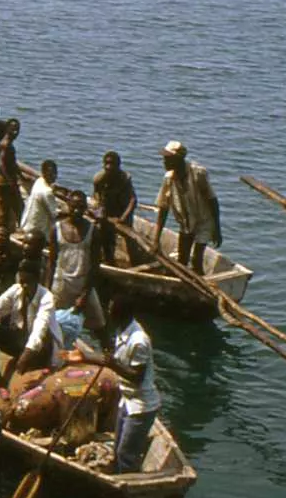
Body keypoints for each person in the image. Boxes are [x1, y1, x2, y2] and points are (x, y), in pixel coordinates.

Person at [82, 295, 159, 475]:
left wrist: (112, 364)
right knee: (118, 449)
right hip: (126, 400)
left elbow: (136, 377)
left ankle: (128, 484)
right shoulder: (123, 330)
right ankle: (120, 475)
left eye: (111, 310)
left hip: (141, 406)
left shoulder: (139, 341)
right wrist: (86, 357)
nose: (108, 313)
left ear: (122, 313)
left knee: (126, 454)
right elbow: (114, 360)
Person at [0, 257, 59, 386]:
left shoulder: (46, 298)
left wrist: (26, 355)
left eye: (28, 282)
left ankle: (28, 365)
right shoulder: (17, 289)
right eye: (22, 282)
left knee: (39, 343)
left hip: (40, 349)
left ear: (37, 280)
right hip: (21, 339)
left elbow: (39, 330)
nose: (24, 286)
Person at [154, 141, 221, 274]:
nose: (164, 162)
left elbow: (212, 201)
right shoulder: (169, 178)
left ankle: (199, 285)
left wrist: (217, 229)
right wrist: (156, 240)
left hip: (204, 222)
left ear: (178, 159)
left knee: (196, 260)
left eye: (168, 159)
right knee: (182, 261)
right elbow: (163, 208)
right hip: (186, 223)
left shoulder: (197, 174)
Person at [50, 196, 103, 328]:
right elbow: (51, 262)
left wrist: (85, 294)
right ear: (68, 206)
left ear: (86, 209)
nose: (76, 211)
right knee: (52, 323)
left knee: (100, 325)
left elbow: (95, 266)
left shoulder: (93, 231)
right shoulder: (56, 229)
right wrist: (47, 290)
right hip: (61, 285)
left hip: (83, 284)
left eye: (81, 207)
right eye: (74, 207)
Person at [90, 151, 138, 267]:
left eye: (112, 164)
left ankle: (134, 262)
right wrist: (99, 209)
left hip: (123, 210)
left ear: (118, 165)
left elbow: (133, 200)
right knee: (105, 236)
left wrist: (123, 218)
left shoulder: (125, 178)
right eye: (106, 163)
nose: (109, 166)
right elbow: (96, 194)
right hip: (108, 210)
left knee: (129, 238)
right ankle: (108, 259)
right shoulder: (99, 178)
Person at [0, 119, 24, 231]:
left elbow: (12, 163)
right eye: (13, 129)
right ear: (7, 129)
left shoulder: (8, 144)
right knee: (4, 211)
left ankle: (13, 230)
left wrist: (21, 175)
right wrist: (9, 180)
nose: (15, 132)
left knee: (17, 207)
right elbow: (1, 164)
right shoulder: (6, 144)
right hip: (4, 183)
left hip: (9, 182)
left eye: (17, 129)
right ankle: (0, 233)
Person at [20, 160, 60, 242]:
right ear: (44, 173)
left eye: (55, 173)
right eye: (51, 174)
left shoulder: (39, 181)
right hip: (36, 230)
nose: (54, 176)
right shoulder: (47, 192)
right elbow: (55, 215)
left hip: (25, 225)